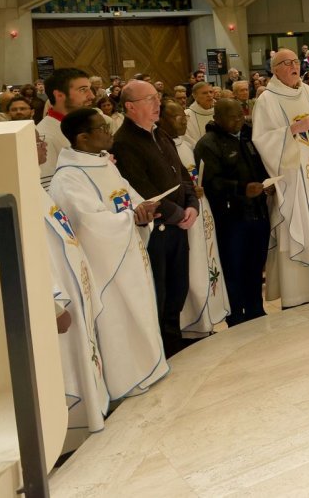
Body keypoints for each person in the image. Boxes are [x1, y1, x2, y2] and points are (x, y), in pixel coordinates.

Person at [50, 108, 169, 397]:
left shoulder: (104, 163)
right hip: (105, 265)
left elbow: (128, 196)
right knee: (117, 317)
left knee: (140, 310)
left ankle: (150, 366)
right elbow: (88, 224)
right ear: (83, 138)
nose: (109, 131)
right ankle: (124, 381)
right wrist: (131, 218)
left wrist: (144, 209)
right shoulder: (68, 178)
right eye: (102, 127)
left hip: (129, 252)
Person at [108, 81, 198, 358]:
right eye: (150, 99)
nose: (157, 103)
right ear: (131, 107)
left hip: (178, 224)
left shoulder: (161, 135)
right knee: (158, 289)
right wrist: (176, 213)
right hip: (155, 229)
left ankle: (173, 338)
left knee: (178, 286)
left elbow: (182, 174)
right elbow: (140, 187)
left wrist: (192, 203)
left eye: (157, 97)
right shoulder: (124, 143)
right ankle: (160, 347)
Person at [40, 130, 109, 441]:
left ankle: (92, 412)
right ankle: (70, 431)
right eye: (35, 143)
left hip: (72, 286)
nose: (43, 145)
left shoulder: (36, 191)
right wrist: (53, 304)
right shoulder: (23, 193)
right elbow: (36, 252)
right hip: (57, 298)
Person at [252, 49, 309, 307]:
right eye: (286, 63)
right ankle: (298, 295)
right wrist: (291, 131)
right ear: (274, 69)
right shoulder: (268, 100)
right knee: (296, 230)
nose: (294, 66)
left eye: (296, 62)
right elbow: (263, 140)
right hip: (293, 182)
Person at [194, 99, 272, 326]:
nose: (238, 120)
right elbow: (210, 182)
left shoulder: (248, 137)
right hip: (231, 218)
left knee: (256, 264)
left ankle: (256, 309)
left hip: (257, 212)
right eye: (232, 117)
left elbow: (260, 166)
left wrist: (267, 182)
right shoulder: (208, 144)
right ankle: (236, 316)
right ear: (217, 118)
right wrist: (240, 189)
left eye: (241, 115)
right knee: (234, 268)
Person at [159, 100, 230, 337]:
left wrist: (198, 190)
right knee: (192, 269)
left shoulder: (187, 145)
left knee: (206, 261)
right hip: (183, 217)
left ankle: (207, 317)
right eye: (176, 115)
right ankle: (192, 322)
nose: (183, 119)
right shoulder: (162, 146)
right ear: (161, 119)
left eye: (183, 115)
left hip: (200, 210)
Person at [38, 68, 95, 188]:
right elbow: (49, 187)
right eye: (83, 90)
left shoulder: (83, 125)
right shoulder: (46, 136)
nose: (92, 96)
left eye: (90, 89)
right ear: (59, 95)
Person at [183, 82, 217, 148]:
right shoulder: (186, 115)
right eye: (204, 93)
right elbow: (186, 139)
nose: (209, 95)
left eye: (211, 92)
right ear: (194, 96)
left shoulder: (219, 111)